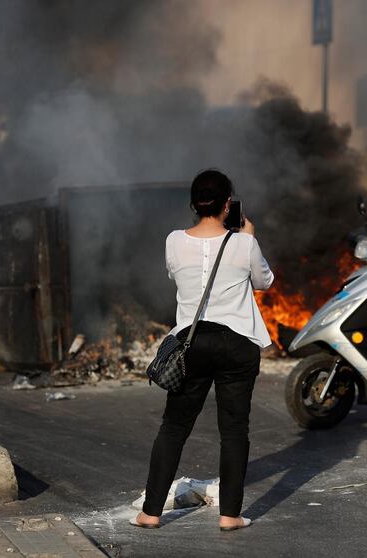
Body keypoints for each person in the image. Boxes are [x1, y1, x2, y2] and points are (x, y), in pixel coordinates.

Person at [132, 169, 274, 530]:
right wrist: (249, 237)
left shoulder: (174, 241)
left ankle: (150, 513)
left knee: (174, 427)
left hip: (191, 344)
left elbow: (174, 273)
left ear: (193, 205)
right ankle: (230, 516)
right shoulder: (245, 243)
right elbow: (264, 282)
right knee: (233, 429)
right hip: (237, 343)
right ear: (229, 205)